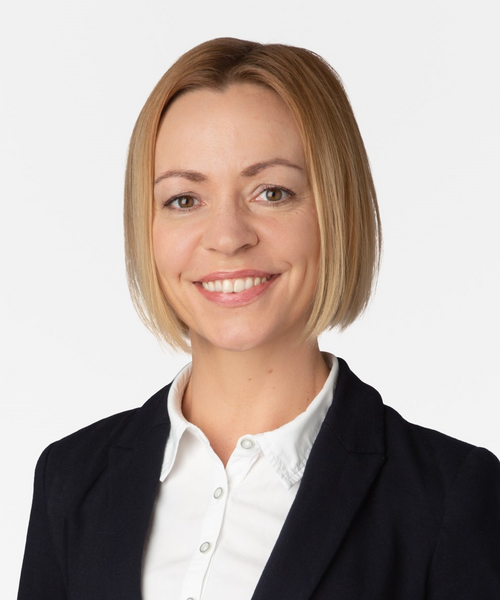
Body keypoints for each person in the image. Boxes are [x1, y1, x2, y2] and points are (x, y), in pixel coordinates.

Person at [18, 37, 500, 600]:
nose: (227, 237)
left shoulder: (447, 499)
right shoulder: (71, 479)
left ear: (336, 211)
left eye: (271, 192)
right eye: (183, 200)